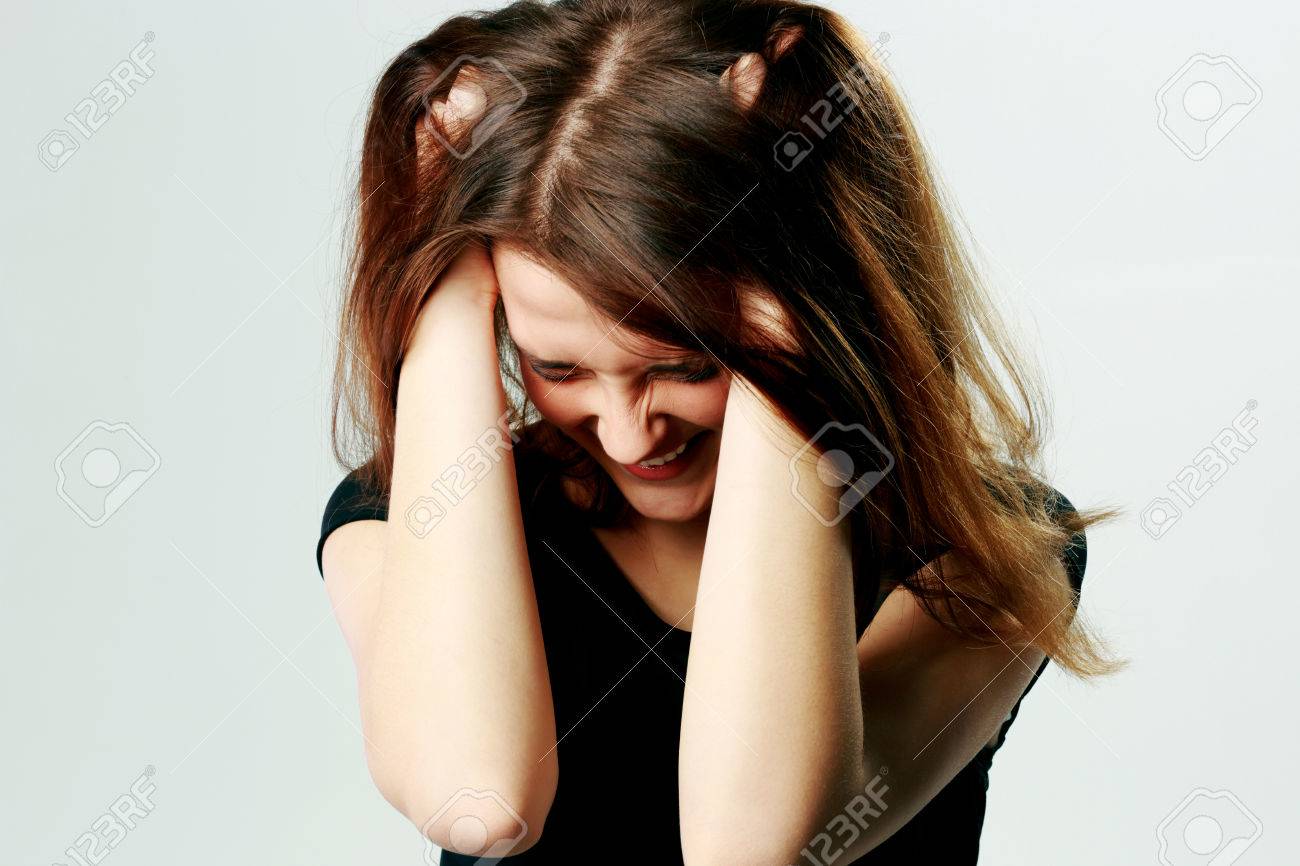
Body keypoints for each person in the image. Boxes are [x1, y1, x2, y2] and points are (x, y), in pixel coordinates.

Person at [315, 1, 1123, 862]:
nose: (629, 437)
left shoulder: (987, 551)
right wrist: (440, 286)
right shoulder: (394, 519)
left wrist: (788, 289)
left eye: (682, 366)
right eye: (560, 369)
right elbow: (479, 804)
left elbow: (750, 847)